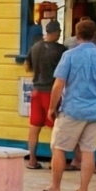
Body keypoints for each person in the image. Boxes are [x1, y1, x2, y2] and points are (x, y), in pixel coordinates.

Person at [39, 19, 96, 191]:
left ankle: (55, 187)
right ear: (95, 35)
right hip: (95, 111)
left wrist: (52, 108)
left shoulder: (69, 55)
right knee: (88, 150)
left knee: (59, 147)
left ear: (77, 35)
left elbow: (58, 85)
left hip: (73, 109)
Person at [24, 20, 67, 170]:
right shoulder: (61, 50)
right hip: (51, 92)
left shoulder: (35, 47)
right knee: (55, 128)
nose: (60, 34)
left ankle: (32, 160)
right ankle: (53, 161)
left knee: (34, 127)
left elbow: (26, 66)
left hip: (36, 91)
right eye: (59, 32)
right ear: (54, 32)